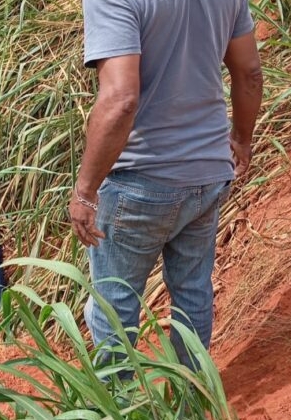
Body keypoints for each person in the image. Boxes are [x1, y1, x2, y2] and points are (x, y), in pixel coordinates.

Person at [69, 0, 263, 378]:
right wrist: (242, 138)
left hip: (140, 176)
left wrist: (85, 190)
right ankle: (192, 398)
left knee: (115, 301)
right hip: (207, 172)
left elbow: (121, 99)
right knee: (192, 290)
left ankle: (121, 403)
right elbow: (250, 71)